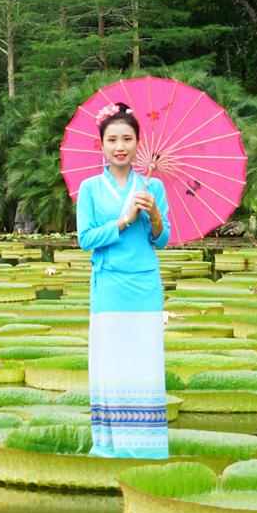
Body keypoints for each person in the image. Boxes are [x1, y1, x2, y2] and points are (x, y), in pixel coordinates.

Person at [73, 102, 171, 458]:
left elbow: (161, 239)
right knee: (112, 365)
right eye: (112, 138)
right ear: (101, 144)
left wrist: (154, 215)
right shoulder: (89, 189)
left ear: (137, 143)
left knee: (145, 364)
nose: (120, 146)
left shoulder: (153, 187)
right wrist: (124, 220)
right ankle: (109, 446)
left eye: (127, 138)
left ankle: (147, 448)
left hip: (145, 286)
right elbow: (85, 239)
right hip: (109, 287)